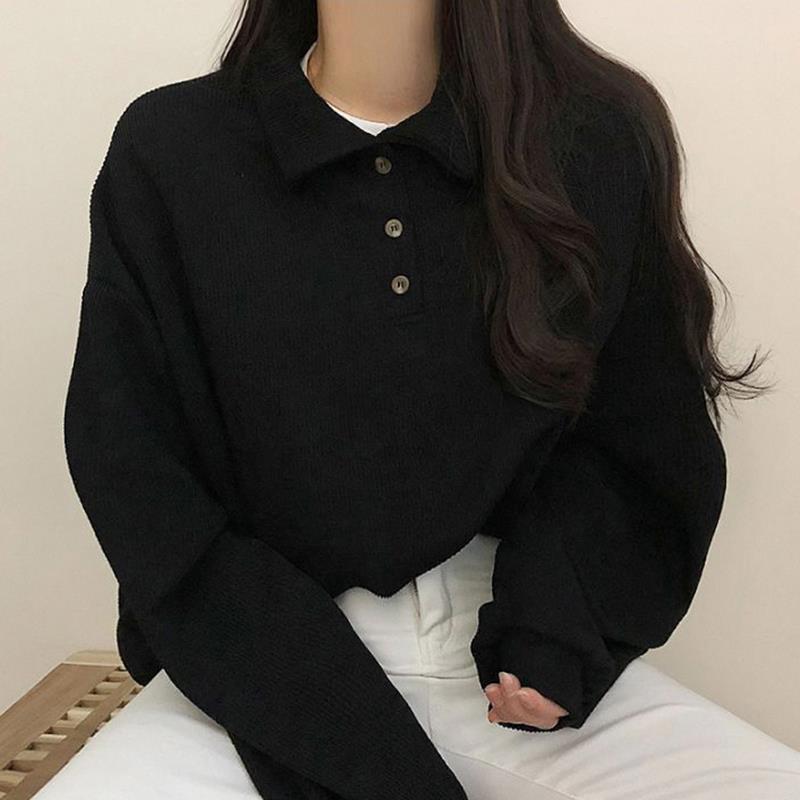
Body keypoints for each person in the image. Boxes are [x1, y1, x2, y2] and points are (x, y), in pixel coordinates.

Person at [48, 1, 800, 798]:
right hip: (251, 672)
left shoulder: (591, 137)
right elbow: (139, 481)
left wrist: (555, 629)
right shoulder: (172, 149)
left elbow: (640, 433)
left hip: (508, 663)